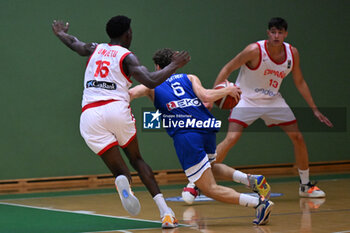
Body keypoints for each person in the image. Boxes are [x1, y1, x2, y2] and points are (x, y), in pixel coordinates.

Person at [51, 16, 190, 229]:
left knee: (120, 170)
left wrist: (61, 33)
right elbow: (151, 80)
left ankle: (122, 181)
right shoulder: (127, 57)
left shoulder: (94, 48)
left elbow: (74, 43)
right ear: (128, 34)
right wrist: (174, 64)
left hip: (90, 115)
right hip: (116, 110)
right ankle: (166, 213)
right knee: (137, 159)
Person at [129, 48, 274, 225]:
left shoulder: (151, 85)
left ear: (158, 67)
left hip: (186, 135)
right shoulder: (189, 77)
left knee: (209, 188)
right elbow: (206, 96)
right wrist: (227, 90)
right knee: (211, 167)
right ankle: (249, 179)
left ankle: (259, 203)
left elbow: (130, 94)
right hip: (206, 128)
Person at [213, 17, 333, 198]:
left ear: (286, 34)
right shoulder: (254, 50)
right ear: (268, 33)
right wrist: (214, 94)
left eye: (280, 32)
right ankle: (197, 182)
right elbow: (228, 68)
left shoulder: (292, 53)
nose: (277, 36)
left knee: (298, 137)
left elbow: (299, 81)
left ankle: (305, 185)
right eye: (273, 32)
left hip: (272, 100)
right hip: (246, 99)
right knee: (231, 138)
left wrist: (314, 108)